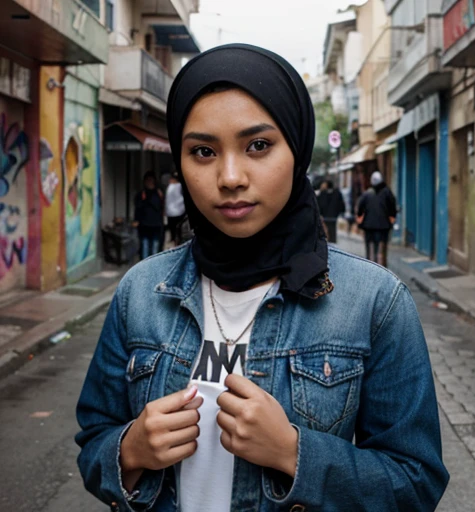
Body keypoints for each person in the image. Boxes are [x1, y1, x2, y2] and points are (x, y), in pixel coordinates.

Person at [75, 44, 448, 512]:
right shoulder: (140, 292)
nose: (230, 177)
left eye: (258, 145)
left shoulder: (375, 301)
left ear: (297, 148)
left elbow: (416, 485)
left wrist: (295, 454)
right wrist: (129, 451)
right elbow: (94, 440)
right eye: (203, 151)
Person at [357, 171, 397, 268]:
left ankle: (370, 265)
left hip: (368, 225)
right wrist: (392, 219)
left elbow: (360, 208)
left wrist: (360, 219)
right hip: (383, 226)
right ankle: (382, 266)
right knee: (382, 247)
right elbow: (393, 207)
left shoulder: (367, 194)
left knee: (369, 247)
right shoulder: (387, 192)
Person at [134, 170, 164, 260]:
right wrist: (136, 220)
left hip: (156, 224)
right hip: (144, 225)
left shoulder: (158, 193)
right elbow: (138, 207)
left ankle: (153, 266)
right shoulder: (141, 194)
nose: (149, 182)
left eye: (151, 180)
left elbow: (161, 207)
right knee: (145, 245)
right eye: (148, 180)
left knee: (155, 246)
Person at [165, 173, 186, 245]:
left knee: (174, 230)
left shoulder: (170, 187)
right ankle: (177, 241)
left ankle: (175, 241)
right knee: (179, 230)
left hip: (171, 212)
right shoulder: (179, 186)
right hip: (179, 211)